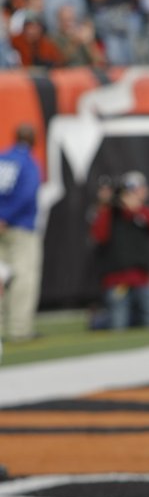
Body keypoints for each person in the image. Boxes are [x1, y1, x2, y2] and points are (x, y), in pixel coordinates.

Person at [89, 170, 149, 329]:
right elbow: (99, 236)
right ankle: (98, 320)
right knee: (118, 324)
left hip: (142, 277)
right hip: (117, 279)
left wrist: (136, 209)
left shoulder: (142, 213)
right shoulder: (108, 214)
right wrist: (107, 205)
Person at [0, 123, 42, 342]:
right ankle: (18, 329)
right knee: (24, 276)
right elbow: (26, 194)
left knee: (1, 276)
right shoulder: (28, 162)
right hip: (19, 226)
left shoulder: (2, 157)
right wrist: (6, 217)